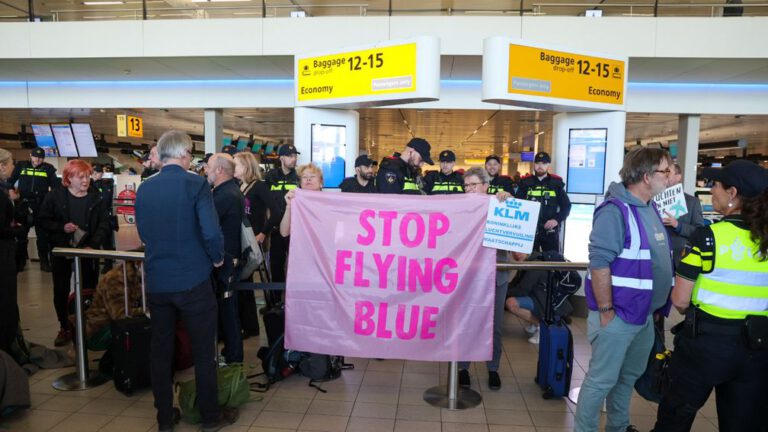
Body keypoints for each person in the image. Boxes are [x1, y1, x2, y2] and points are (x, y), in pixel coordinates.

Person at [654, 160, 768, 432]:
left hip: (705, 346)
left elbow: (680, 300)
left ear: (732, 193)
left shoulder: (708, 238)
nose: (710, 190)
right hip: (756, 348)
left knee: (675, 419)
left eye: (715, 185)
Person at [135, 130, 237, 432]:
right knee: (204, 351)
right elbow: (210, 231)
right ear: (181, 153)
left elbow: (143, 232)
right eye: (191, 153)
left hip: (158, 282)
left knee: (161, 350)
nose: (192, 158)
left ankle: (164, 418)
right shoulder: (196, 185)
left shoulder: (145, 188)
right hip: (193, 281)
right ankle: (209, 417)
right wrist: (217, 257)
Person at [574, 147, 674, 432]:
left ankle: (619, 426)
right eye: (665, 171)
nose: (669, 178)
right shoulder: (614, 211)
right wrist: (606, 310)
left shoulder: (650, 207)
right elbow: (600, 263)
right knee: (601, 380)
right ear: (646, 176)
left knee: (627, 377)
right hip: (618, 315)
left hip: (643, 315)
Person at [38, 160, 111, 347]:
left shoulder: (96, 198)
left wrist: (93, 245)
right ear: (69, 178)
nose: (86, 180)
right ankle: (64, 326)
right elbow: (43, 220)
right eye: (81, 177)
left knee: (89, 289)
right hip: (62, 250)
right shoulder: (55, 197)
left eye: (87, 176)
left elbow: (104, 224)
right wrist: (61, 227)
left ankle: (87, 327)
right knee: (61, 289)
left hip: (87, 252)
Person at [457, 166, 512, 391]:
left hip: (496, 275)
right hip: (468, 276)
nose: (469, 189)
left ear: (486, 187)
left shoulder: (500, 204)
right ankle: (462, 368)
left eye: (473, 185)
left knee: (494, 325)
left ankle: (493, 369)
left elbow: (516, 232)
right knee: (466, 321)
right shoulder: (460, 209)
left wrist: (509, 202)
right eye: (466, 186)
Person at [207, 153, 245, 364]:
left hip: (226, 261)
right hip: (231, 258)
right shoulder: (232, 190)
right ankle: (232, 354)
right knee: (229, 310)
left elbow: (209, 226)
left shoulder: (224, 195)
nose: (206, 170)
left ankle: (233, 357)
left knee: (229, 312)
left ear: (220, 170)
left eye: (209, 167)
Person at [233, 151, 273, 338]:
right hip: (242, 240)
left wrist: (263, 232)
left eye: (237, 164)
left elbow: (277, 210)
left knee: (246, 281)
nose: (234, 168)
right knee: (243, 282)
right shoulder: (241, 186)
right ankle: (248, 325)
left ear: (247, 166)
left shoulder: (259, 187)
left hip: (252, 241)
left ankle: (250, 326)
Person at [8, 147, 59, 272]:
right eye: (35, 156)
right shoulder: (21, 166)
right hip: (23, 205)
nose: (38, 159)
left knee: (42, 236)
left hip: (41, 206)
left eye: (41, 157)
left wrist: (50, 202)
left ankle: (44, 262)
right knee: (21, 235)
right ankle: (20, 262)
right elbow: (10, 181)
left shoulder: (48, 168)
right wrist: (12, 193)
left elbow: (55, 188)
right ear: (30, 155)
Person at [516, 152, 571, 253]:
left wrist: (556, 220)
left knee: (552, 263)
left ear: (548, 165)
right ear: (534, 165)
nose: (540, 166)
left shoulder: (556, 183)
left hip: (549, 232)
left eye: (544, 163)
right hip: (528, 232)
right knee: (526, 264)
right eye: (537, 163)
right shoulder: (525, 183)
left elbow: (566, 206)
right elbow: (516, 204)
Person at [264, 144, 300, 288]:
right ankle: (277, 301)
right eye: (290, 156)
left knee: (296, 266)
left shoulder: (299, 177)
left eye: (295, 156)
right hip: (275, 229)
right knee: (276, 265)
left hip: (295, 230)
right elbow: (265, 202)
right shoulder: (270, 177)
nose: (294, 159)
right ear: (281, 158)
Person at [0, 148, 23, 354]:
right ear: (2, 166)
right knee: (6, 299)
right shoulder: (0, 192)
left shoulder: (4, 189)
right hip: (3, 253)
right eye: (11, 163)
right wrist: (16, 229)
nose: (13, 167)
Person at [662, 163, 705, 266]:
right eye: (663, 172)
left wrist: (678, 225)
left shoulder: (692, 202)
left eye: (668, 172)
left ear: (678, 177)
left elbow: (699, 231)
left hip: (679, 258)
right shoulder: (651, 200)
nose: (665, 175)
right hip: (657, 258)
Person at [280, 163, 323, 237]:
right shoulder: (296, 202)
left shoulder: (328, 203)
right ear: (300, 183)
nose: (308, 179)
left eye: (312, 176)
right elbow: (284, 233)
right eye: (304, 177)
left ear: (321, 182)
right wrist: (289, 206)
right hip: (301, 246)